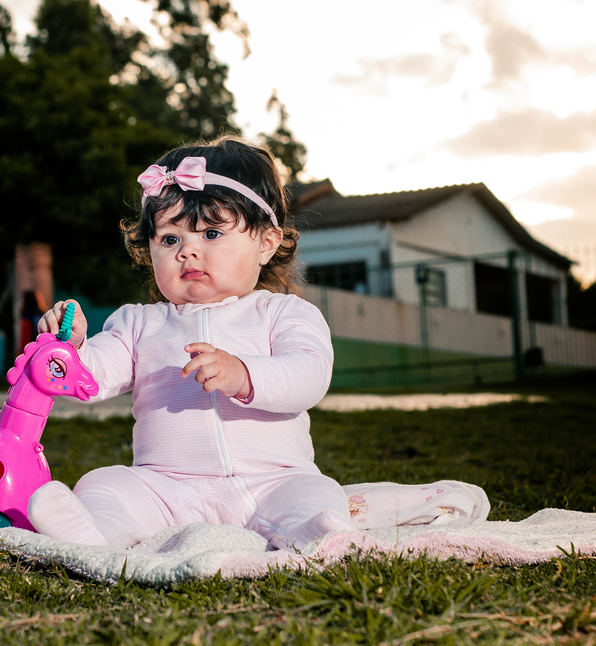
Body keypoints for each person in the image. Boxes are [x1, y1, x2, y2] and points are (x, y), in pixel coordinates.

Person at [27, 136, 360, 552]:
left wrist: (244, 373)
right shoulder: (136, 323)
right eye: (170, 239)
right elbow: (95, 377)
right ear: (149, 249)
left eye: (212, 233)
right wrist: (72, 351)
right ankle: (92, 534)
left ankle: (317, 534)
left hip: (273, 481)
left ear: (266, 243)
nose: (188, 251)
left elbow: (309, 376)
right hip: (168, 488)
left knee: (315, 493)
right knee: (106, 483)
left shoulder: (285, 313)